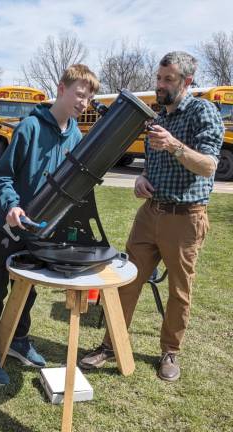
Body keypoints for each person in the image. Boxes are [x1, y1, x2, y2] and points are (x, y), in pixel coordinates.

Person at [79, 51, 224, 382]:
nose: (159, 85)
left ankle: (170, 351)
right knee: (125, 279)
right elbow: (152, 166)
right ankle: (111, 344)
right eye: (158, 78)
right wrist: (141, 180)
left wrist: (173, 145)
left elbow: (209, 166)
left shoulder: (203, 112)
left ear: (186, 82)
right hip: (150, 212)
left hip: (185, 218)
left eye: (168, 80)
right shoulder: (157, 116)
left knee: (179, 289)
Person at [0, 64, 100, 386]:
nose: (83, 103)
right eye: (79, 95)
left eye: (89, 98)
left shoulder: (76, 135)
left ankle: (17, 339)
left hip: (42, 230)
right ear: (61, 88)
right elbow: (2, 176)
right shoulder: (29, 127)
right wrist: (11, 206)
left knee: (27, 288)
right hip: (8, 226)